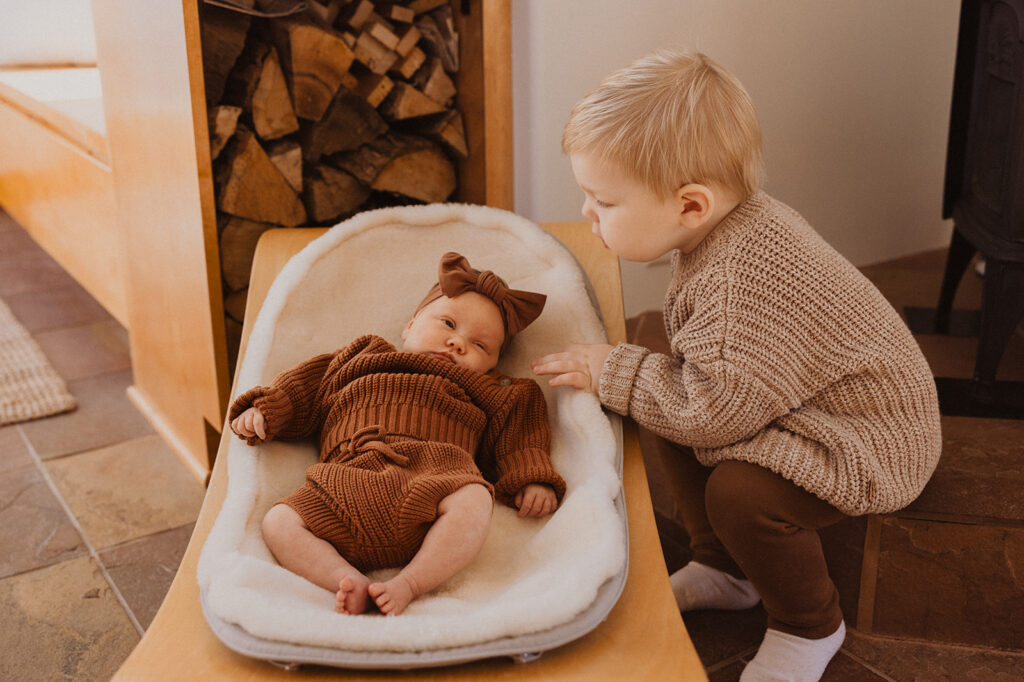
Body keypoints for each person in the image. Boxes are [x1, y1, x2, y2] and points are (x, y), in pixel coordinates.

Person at [532, 50, 941, 682]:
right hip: (791, 398)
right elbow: (713, 395)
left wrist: (614, 370)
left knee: (740, 491)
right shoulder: (727, 228)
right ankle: (724, 567)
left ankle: (810, 625)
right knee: (664, 402)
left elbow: (713, 412)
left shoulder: (739, 284)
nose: (587, 212)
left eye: (603, 201)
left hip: (869, 437)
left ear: (690, 205)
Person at [230, 252, 565, 617]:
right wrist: (266, 409)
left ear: (491, 365)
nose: (457, 343)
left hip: (435, 480)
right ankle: (347, 579)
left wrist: (532, 476)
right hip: (347, 477)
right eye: (448, 323)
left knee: (474, 500)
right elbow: (303, 386)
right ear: (409, 326)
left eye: (480, 345)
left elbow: (522, 430)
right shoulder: (361, 357)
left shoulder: (491, 390)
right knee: (279, 522)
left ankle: (410, 582)